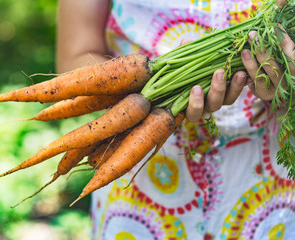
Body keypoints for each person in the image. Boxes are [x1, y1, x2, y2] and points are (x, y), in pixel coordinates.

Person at [56, 0, 295, 239]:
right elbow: (73, 60)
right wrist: (149, 90)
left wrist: (289, 84)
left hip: (268, 196)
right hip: (140, 184)